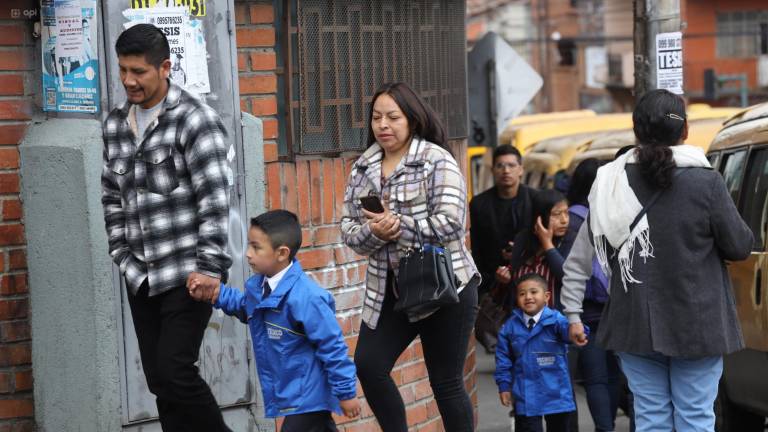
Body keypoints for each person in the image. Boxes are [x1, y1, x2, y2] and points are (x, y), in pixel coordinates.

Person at [566, 89, 753, 432]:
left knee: (651, 417)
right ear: (684, 132)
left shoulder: (610, 182)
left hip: (634, 319)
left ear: (636, 131)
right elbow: (740, 245)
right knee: (695, 416)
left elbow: (588, 250)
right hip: (697, 322)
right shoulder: (705, 181)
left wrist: (572, 312)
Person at [100, 24, 232, 431]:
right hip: (141, 273)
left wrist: (210, 267)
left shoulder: (194, 120)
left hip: (187, 273)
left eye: (138, 71)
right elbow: (111, 194)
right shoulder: (116, 124)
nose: (128, 81)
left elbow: (215, 197)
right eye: (123, 70)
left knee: (176, 372)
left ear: (165, 67)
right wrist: (121, 253)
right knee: (161, 382)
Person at [341, 82, 480, 431]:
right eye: (376, 118)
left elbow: (452, 222)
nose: (383, 125)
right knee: (369, 365)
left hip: (445, 284)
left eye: (392, 117)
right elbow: (348, 231)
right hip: (391, 288)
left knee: (446, 384)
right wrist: (375, 232)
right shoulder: (363, 168)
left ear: (413, 120)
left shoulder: (436, 159)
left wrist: (399, 225)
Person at [190, 210, 361, 431]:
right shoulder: (259, 287)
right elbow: (246, 308)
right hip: (292, 392)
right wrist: (218, 293)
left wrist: (346, 393)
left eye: (256, 247)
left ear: (281, 253)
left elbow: (333, 347)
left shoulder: (307, 298)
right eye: (248, 245)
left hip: (309, 396)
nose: (248, 254)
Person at [561, 158, 622, 432]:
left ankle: (604, 429)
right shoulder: (618, 213)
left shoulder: (571, 219)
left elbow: (570, 268)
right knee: (620, 377)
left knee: (596, 378)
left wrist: (572, 314)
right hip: (617, 308)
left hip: (587, 311)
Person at [495, 273, 583, 432]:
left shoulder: (557, 320)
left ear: (546, 296)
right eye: (522, 294)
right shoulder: (509, 327)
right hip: (526, 394)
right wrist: (504, 386)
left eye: (534, 292)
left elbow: (571, 331)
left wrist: (579, 332)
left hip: (557, 393)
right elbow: (503, 359)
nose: (528, 297)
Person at [470, 145, 535, 352]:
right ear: (493, 170)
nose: (506, 170)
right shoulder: (479, 204)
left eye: (511, 165)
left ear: (521, 169)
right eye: (500, 166)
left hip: (531, 279)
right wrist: (490, 279)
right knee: (502, 345)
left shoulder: (535, 200)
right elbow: (476, 249)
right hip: (493, 285)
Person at [498, 189, 571, 310]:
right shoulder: (523, 239)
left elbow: (567, 277)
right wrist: (504, 279)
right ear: (540, 217)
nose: (564, 220)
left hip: (555, 320)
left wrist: (547, 244)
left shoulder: (570, 240)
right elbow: (515, 284)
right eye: (557, 214)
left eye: (567, 213)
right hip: (521, 320)